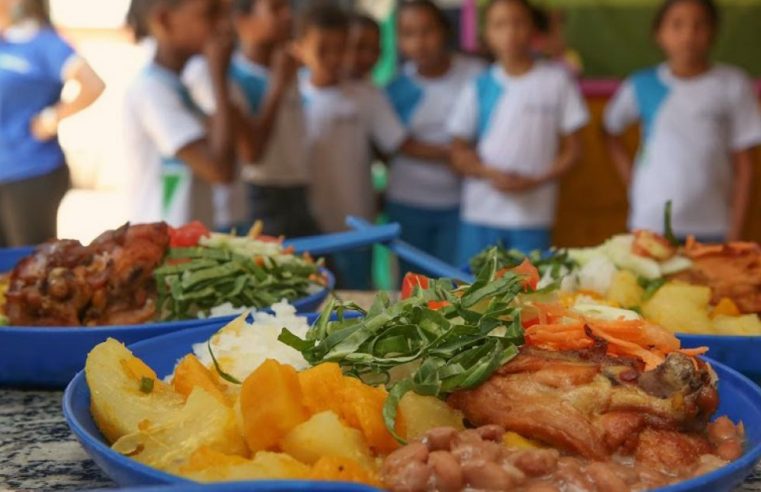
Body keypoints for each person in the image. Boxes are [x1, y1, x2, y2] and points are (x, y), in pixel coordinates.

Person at [604, 0, 761, 242]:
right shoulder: (641, 84)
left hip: (713, 224)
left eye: (699, 25)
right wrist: (631, 179)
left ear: (714, 32)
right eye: (677, 25)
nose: (689, 34)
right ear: (659, 34)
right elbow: (609, 130)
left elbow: (746, 167)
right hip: (650, 222)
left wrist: (736, 233)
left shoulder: (732, 84)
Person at [448, 0, 588, 264]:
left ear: (534, 28)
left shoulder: (557, 81)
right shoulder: (478, 85)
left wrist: (534, 180)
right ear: (487, 34)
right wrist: (489, 173)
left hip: (532, 216)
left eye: (518, 22)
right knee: (468, 293)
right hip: (480, 214)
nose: (510, 32)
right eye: (499, 24)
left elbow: (574, 151)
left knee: (529, 296)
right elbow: (457, 152)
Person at [294, 3, 408, 289]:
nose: (334, 59)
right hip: (307, 226)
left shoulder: (366, 95)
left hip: (356, 226)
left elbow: (396, 145)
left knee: (356, 299)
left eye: (341, 49)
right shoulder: (289, 96)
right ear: (300, 47)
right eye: (323, 49)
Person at [184, 0, 317, 236]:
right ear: (242, 21)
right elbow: (251, 153)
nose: (287, 16)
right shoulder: (228, 74)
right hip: (256, 200)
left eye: (288, 8)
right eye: (275, 8)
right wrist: (277, 87)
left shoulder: (286, 67)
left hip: (295, 190)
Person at [385, 0, 485, 269]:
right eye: (408, 33)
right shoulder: (397, 87)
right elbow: (397, 145)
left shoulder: (475, 75)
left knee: (454, 285)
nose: (420, 42)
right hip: (407, 203)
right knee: (411, 288)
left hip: (460, 204)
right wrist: (454, 153)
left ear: (445, 31)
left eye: (428, 30)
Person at [0, 0, 104, 246]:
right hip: (4, 171)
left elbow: (93, 84)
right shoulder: (6, 42)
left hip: (30, 171)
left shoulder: (45, 43)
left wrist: (51, 119)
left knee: (27, 262)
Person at [123, 0, 236, 228]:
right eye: (211, 13)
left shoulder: (179, 86)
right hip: (162, 246)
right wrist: (218, 78)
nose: (224, 25)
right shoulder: (151, 90)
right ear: (165, 20)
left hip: (184, 243)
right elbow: (220, 170)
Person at [345, 13, 381, 82]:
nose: (368, 57)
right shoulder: (323, 89)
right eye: (360, 47)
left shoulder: (376, 91)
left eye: (374, 50)